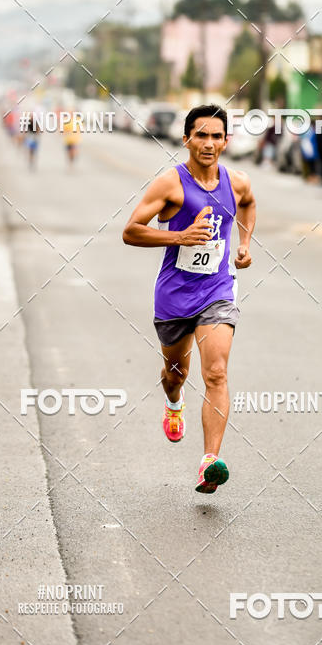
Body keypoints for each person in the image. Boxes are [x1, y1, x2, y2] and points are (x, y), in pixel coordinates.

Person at [123, 105, 256, 494]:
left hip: (216, 291)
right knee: (174, 376)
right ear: (186, 139)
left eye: (217, 136)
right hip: (174, 295)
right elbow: (131, 231)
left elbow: (248, 204)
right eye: (201, 135)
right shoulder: (171, 184)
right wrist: (178, 236)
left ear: (226, 141)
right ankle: (174, 401)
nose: (209, 143)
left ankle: (209, 462)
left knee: (215, 372)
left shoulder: (239, 182)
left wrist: (244, 244)